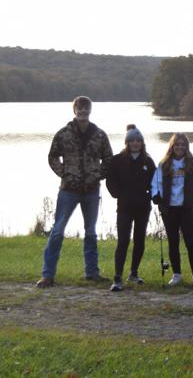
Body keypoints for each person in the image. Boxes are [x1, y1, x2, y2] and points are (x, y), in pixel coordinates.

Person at [38, 96, 115, 288]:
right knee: (57, 231)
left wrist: (98, 175)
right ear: (74, 111)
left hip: (91, 190)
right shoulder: (63, 134)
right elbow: (52, 157)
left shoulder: (99, 135)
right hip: (68, 190)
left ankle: (92, 272)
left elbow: (109, 158)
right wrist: (64, 173)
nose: (83, 112)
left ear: (90, 111)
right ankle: (47, 275)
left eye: (86, 108)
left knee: (91, 232)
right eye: (80, 109)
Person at [151, 133, 193, 286]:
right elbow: (156, 183)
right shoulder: (164, 164)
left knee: (191, 242)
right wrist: (156, 195)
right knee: (173, 242)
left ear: (187, 146)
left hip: (186, 208)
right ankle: (177, 274)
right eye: (177, 144)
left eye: (183, 144)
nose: (180, 147)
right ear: (172, 146)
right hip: (169, 209)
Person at [105, 124, 155, 292]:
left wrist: (153, 196)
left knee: (139, 240)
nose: (135, 143)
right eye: (132, 140)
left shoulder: (148, 161)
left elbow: (155, 182)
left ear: (142, 142)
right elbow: (110, 180)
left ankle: (133, 273)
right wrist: (118, 194)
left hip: (143, 207)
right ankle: (118, 277)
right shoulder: (117, 160)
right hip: (124, 207)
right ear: (127, 142)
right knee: (123, 241)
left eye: (138, 140)